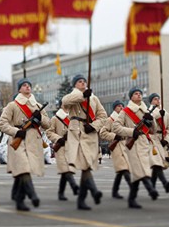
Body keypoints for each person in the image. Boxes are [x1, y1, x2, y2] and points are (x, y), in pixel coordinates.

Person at [0, 78, 50, 211]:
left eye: (29, 85)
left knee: (23, 170)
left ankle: (17, 195)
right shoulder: (12, 105)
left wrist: (40, 118)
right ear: (19, 89)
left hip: (33, 141)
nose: (27, 87)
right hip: (19, 140)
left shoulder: (37, 106)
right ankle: (32, 196)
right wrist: (16, 132)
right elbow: (2, 123)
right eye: (24, 85)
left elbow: (48, 124)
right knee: (24, 168)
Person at [62, 74, 107, 210]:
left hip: (89, 132)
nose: (83, 83)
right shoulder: (73, 96)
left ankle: (81, 200)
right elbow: (65, 101)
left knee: (86, 166)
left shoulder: (94, 98)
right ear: (75, 85)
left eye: (84, 81)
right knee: (86, 165)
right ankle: (94, 191)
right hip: (77, 132)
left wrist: (94, 126)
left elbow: (102, 116)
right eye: (79, 82)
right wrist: (82, 96)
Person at [113, 87, 160, 209]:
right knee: (140, 169)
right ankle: (151, 190)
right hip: (132, 144)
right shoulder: (126, 112)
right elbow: (116, 127)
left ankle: (131, 199)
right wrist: (131, 131)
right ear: (131, 97)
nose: (139, 95)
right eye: (135, 93)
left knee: (139, 172)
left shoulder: (146, 111)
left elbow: (153, 130)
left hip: (144, 143)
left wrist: (152, 122)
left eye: (140, 93)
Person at [47, 100, 79, 201]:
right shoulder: (55, 118)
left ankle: (61, 193)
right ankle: (74, 187)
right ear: (61, 104)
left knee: (65, 171)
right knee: (66, 169)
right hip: (60, 147)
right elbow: (49, 132)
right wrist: (58, 138)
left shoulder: (73, 118)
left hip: (71, 147)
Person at [99, 100, 131, 199]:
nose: (121, 107)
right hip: (116, 146)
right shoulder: (110, 120)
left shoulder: (125, 119)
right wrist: (114, 136)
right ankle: (133, 188)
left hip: (125, 145)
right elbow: (102, 133)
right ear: (114, 108)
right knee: (124, 169)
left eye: (122, 106)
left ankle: (114, 191)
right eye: (118, 106)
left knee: (121, 170)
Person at [147, 93, 169, 194]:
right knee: (156, 162)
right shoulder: (148, 112)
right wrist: (159, 115)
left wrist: (166, 140)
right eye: (155, 99)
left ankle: (152, 188)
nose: (157, 101)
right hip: (152, 139)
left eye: (158, 99)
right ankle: (165, 183)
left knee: (156, 164)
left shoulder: (165, 113)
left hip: (161, 139)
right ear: (151, 101)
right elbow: (149, 126)